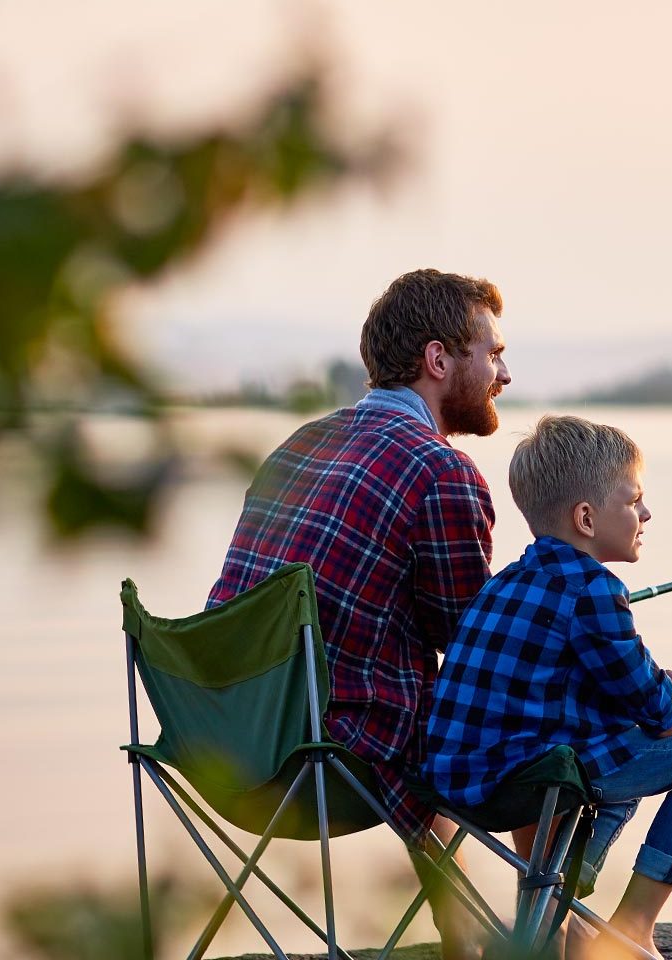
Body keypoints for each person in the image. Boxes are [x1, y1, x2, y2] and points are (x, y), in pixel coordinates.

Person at [208, 268, 511, 960]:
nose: (505, 374)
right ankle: (551, 925)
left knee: (406, 697)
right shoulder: (441, 472)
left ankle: (463, 938)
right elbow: (471, 654)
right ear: (439, 360)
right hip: (325, 765)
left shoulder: (300, 444)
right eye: (492, 353)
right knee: (509, 707)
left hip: (224, 740)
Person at [424, 414, 672, 960]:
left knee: (620, 736)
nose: (646, 513)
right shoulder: (594, 591)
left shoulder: (504, 584)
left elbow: (618, 690)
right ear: (586, 517)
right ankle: (631, 926)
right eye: (634, 501)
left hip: (458, 785)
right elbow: (661, 714)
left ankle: (555, 912)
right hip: (528, 785)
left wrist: (669, 686)